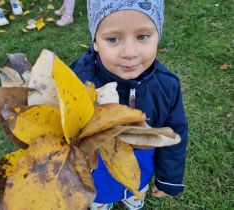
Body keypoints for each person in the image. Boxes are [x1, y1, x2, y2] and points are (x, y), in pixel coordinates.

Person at [70, 0, 188, 209]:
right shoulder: (78, 84)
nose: (130, 52)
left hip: (139, 173)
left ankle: (132, 200)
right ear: (95, 41)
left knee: (135, 194)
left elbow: (174, 133)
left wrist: (168, 177)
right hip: (97, 177)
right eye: (113, 39)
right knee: (98, 201)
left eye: (142, 36)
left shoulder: (167, 86)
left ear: (157, 34)